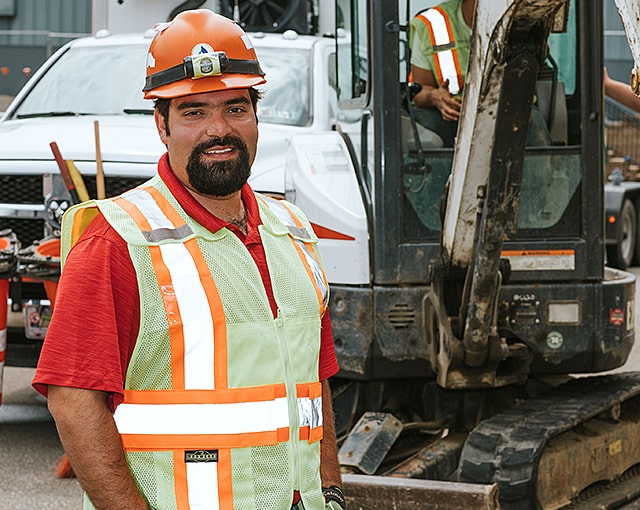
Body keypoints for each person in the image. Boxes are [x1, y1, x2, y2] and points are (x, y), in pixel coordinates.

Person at [32, 10, 346, 510]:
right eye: (194, 112)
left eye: (235, 109)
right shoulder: (118, 241)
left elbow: (315, 382)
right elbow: (73, 400)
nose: (218, 130)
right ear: (161, 123)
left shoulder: (293, 232)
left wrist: (329, 490)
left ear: (256, 116)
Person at [409, 0, 551, 147]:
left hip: (507, 110)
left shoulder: (523, 24)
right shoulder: (432, 24)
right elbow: (420, 90)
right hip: (452, 116)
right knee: (426, 125)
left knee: (533, 123)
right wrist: (434, 97)